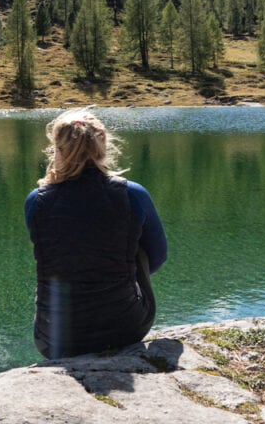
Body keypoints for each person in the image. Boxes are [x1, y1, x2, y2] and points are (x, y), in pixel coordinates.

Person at [24, 108, 167, 359]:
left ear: (56, 149)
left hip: (53, 340)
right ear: (103, 147)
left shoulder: (36, 201)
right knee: (136, 247)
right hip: (126, 328)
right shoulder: (133, 193)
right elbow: (157, 256)